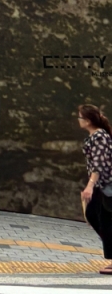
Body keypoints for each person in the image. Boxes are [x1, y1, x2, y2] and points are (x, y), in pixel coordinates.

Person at [78, 103, 112, 274]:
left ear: (88, 120)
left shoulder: (99, 137)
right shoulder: (96, 136)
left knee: (105, 221)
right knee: (95, 216)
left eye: (80, 117)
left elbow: (98, 165)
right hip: (102, 185)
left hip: (107, 185)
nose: (78, 120)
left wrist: (90, 186)